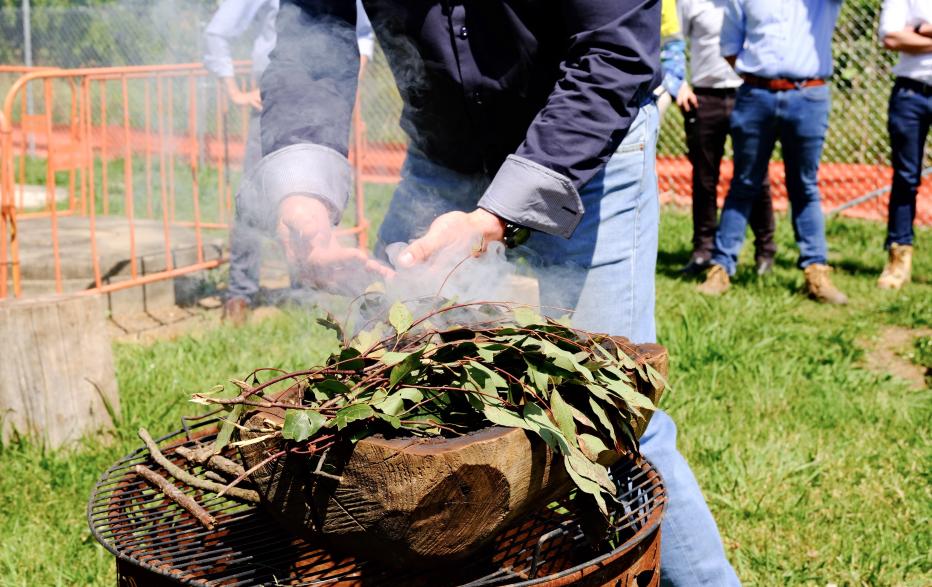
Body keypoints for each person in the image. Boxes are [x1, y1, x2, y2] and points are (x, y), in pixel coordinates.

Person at [252, 2, 741, 584]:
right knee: (396, 388)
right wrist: (302, 200)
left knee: (613, 414)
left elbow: (613, 51)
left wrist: (493, 219)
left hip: (589, 148)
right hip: (443, 155)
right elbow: (314, 35)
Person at [204, 0, 375, 323]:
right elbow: (218, 31)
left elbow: (363, 35)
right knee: (254, 202)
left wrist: (345, 95)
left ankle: (304, 290)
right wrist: (234, 90)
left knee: (312, 204)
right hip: (276, 103)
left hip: (328, 101)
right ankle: (240, 292)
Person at [697, 0, 849, 304]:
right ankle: (721, 268)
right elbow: (729, 46)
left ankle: (816, 271)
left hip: (808, 95)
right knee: (744, 182)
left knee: (804, 185)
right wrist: (760, 77)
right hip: (756, 96)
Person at [674, 0, 776, 276]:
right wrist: (678, 83)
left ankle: (765, 250)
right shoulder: (690, 3)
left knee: (755, 175)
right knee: (704, 177)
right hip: (704, 97)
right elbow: (673, 42)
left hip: (748, 93)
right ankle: (703, 250)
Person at [877, 0, 931, 290]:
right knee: (905, 178)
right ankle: (898, 257)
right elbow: (892, 37)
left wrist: (921, 32)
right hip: (911, 94)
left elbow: (904, 37)